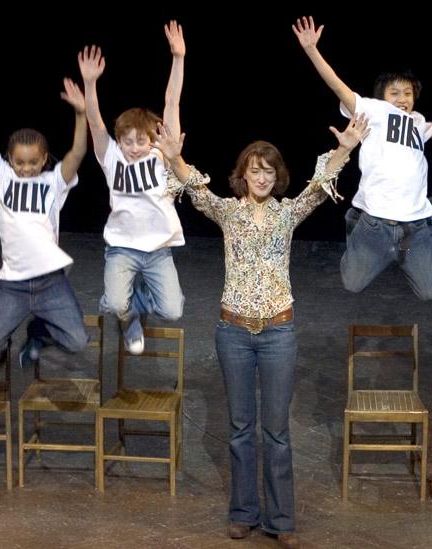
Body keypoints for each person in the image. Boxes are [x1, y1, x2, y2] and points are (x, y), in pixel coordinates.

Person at [155, 114, 369, 548]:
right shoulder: (228, 212)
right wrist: (175, 159)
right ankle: (243, 514)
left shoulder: (288, 214)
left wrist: (345, 147)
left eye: (269, 171)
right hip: (232, 332)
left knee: (276, 431)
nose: (262, 177)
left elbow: (319, 184)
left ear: (277, 177)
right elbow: (196, 190)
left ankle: (282, 520)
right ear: (243, 175)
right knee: (239, 428)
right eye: (255, 170)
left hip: (277, 333)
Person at [293, 15, 432, 299]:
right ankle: (355, 221)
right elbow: (337, 86)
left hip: (414, 227)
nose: (402, 98)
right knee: (352, 282)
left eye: (407, 93)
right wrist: (312, 50)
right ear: (381, 97)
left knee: (431, 292)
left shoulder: (417, 121)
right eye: (394, 92)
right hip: (375, 224)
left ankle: (424, 234)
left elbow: (431, 129)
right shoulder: (374, 111)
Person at [0, 57, 89, 365]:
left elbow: (78, 152)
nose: (26, 168)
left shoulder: (54, 182)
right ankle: (2, 340)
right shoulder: (0, 176)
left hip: (51, 282)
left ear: (44, 159)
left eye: (33, 162)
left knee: (77, 340)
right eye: (19, 162)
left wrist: (81, 113)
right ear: (9, 159)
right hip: (13, 284)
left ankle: (38, 331)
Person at [76, 21, 187, 355]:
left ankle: (136, 300)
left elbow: (172, 103)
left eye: (141, 140)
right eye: (128, 141)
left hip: (157, 249)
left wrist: (178, 58)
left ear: (152, 138)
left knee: (173, 310)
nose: (135, 147)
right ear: (119, 140)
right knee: (112, 304)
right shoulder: (111, 156)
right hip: (122, 247)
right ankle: (130, 318)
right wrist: (89, 83)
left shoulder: (161, 154)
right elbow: (95, 121)